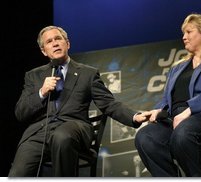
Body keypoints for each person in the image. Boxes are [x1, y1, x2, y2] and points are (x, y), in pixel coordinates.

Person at [8, 26, 150, 177]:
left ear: (67, 44)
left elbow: (109, 103)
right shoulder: (34, 76)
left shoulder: (87, 73)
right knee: (18, 173)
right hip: (39, 134)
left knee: (61, 136)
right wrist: (41, 92)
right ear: (44, 51)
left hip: (74, 127)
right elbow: (20, 112)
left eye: (58, 39)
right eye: (49, 41)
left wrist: (134, 116)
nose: (55, 43)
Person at [135, 13, 201, 177]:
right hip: (177, 119)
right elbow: (167, 98)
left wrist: (189, 110)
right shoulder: (178, 67)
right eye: (183, 33)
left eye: (189, 32)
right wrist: (157, 111)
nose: (184, 37)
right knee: (145, 137)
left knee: (184, 132)